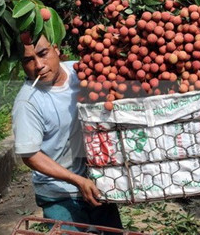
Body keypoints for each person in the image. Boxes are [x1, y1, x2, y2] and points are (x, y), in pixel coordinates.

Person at [12, 33, 123, 232]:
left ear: (56, 49)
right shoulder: (28, 101)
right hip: (58, 193)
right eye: (28, 60)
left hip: (97, 183)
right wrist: (77, 181)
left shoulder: (79, 72)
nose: (39, 65)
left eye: (43, 54)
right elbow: (30, 155)